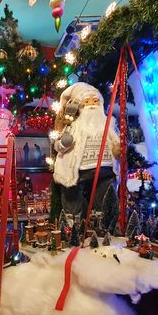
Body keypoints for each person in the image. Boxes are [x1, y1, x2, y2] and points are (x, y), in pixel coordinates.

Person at [53, 82, 121, 219]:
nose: (91, 104)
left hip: (105, 169)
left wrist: (118, 148)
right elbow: (58, 146)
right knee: (72, 196)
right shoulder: (74, 125)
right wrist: (64, 142)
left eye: (95, 101)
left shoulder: (108, 124)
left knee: (105, 200)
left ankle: (104, 226)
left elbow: (116, 141)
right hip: (79, 170)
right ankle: (72, 225)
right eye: (87, 101)